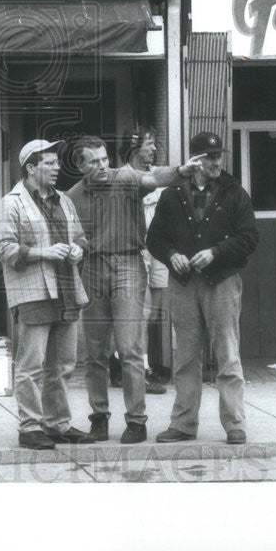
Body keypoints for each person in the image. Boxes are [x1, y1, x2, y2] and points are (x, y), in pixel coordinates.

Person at [66, 135, 206, 444]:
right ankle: (99, 417)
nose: (103, 166)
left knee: (129, 348)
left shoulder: (124, 178)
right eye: (94, 161)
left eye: (104, 159)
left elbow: (154, 177)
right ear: (80, 165)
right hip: (92, 268)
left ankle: (136, 420)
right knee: (95, 352)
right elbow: (71, 235)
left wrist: (181, 171)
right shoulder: (72, 197)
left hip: (128, 265)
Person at [147, 132, 259, 445]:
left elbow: (250, 237)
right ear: (194, 160)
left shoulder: (234, 192)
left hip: (221, 281)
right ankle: (183, 424)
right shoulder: (172, 194)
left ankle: (235, 424)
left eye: (218, 156)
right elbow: (154, 239)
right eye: (209, 157)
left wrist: (216, 252)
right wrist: (172, 256)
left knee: (227, 353)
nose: (216, 162)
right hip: (183, 284)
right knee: (185, 356)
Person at [0, 139, 94, 450]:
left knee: (64, 364)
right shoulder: (11, 203)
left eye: (56, 162)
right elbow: (3, 249)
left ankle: (57, 424)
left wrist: (78, 248)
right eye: (49, 163)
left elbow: (80, 238)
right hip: (33, 293)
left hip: (67, 290)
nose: (56, 168)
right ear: (31, 168)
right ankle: (30, 427)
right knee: (32, 365)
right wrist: (44, 252)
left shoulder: (64, 200)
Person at [118, 126, 170, 395]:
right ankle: (139, 369)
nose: (153, 148)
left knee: (155, 311)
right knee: (141, 312)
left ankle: (136, 362)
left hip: (159, 249)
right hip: (137, 249)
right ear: (134, 147)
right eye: (149, 144)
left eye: (154, 144)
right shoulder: (122, 177)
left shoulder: (159, 176)